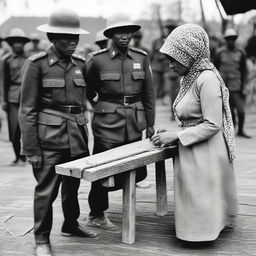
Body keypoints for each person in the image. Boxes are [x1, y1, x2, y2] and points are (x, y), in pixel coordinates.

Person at [19, 8, 97, 256]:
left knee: (72, 186)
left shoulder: (81, 64)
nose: (72, 42)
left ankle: (70, 225)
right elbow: (27, 110)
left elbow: (91, 97)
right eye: (66, 38)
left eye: (75, 38)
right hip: (48, 140)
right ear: (52, 37)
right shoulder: (36, 65)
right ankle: (41, 238)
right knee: (46, 190)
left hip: (77, 136)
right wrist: (30, 148)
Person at [152, 23, 237, 242]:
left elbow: (212, 124)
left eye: (173, 59)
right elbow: (192, 117)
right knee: (193, 194)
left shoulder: (206, 79)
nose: (170, 65)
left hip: (205, 150)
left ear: (189, 55)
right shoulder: (189, 78)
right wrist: (172, 131)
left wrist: (176, 136)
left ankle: (201, 235)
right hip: (192, 147)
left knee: (200, 195)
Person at [86, 13, 155, 231]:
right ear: (110, 34)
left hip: (135, 121)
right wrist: (98, 104)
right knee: (102, 170)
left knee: (137, 169)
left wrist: (150, 124)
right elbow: (87, 89)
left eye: (128, 31)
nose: (124, 36)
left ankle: (127, 204)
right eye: (119, 32)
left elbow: (149, 94)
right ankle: (96, 213)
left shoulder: (141, 58)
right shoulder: (98, 60)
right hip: (107, 123)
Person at [215, 28, 250, 138]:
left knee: (241, 109)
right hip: (223, 86)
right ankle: (231, 131)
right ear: (225, 40)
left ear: (235, 40)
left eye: (233, 39)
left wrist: (244, 86)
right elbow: (214, 69)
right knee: (228, 110)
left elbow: (244, 71)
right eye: (228, 39)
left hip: (236, 85)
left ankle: (240, 130)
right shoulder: (220, 52)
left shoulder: (241, 53)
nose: (231, 41)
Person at [2, 28, 29, 166]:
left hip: (28, 96)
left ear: (23, 44)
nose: (17, 45)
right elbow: (3, 82)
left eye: (20, 42)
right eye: (15, 42)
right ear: (11, 44)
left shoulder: (30, 59)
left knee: (27, 128)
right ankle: (17, 156)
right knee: (14, 130)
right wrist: (3, 101)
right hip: (12, 97)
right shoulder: (6, 60)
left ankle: (25, 157)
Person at [151, 19, 178, 102]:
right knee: (157, 87)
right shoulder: (156, 41)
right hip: (157, 68)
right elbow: (152, 55)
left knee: (171, 88)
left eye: (172, 28)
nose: (169, 30)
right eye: (168, 28)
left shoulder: (176, 41)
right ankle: (157, 103)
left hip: (170, 69)